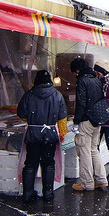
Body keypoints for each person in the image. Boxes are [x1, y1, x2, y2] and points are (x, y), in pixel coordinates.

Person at [15, 70, 68, 203]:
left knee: (30, 164)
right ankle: (48, 193)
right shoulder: (57, 95)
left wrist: (32, 120)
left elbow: (21, 114)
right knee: (48, 163)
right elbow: (62, 117)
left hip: (33, 134)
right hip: (50, 134)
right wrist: (62, 133)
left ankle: (27, 194)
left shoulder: (29, 95)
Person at [70, 57, 109, 191]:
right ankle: (101, 180)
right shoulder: (96, 80)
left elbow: (81, 103)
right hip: (97, 120)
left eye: (74, 72)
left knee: (84, 151)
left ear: (77, 70)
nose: (74, 75)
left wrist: (76, 122)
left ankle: (87, 183)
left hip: (86, 120)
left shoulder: (82, 81)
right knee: (94, 150)